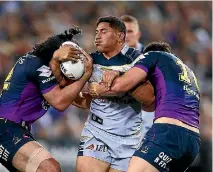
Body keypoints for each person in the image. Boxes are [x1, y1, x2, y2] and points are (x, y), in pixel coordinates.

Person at [50, 16, 155, 172]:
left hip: (129, 140)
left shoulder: (137, 61)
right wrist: (80, 94)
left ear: (120, 36)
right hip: (96, 133)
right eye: (96, 32)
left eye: (104, 31)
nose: (97, 36)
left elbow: (150, 99)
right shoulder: (89, 62)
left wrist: (118, 82)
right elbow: (79, 99)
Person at [0, 27, 93, 172]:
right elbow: (60, 102)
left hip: (13, 129)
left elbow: (76, 99)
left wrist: (103, 97)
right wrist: (86, 75)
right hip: (6, 128)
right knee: (49, 168)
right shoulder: (36, 64)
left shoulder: (46, 72)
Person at [99, 41, 201, 172]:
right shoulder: (189, 73)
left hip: (168, 133)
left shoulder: (152, 56)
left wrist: (108, 80)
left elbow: (121, 85)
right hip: (192, 143)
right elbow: (152, 104)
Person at [120, 14, 154, 138]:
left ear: (138, 34)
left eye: (130, 31)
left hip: (147, 117)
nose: (127, 36)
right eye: (123, 32)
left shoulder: (151, 57)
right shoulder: (108, 58)